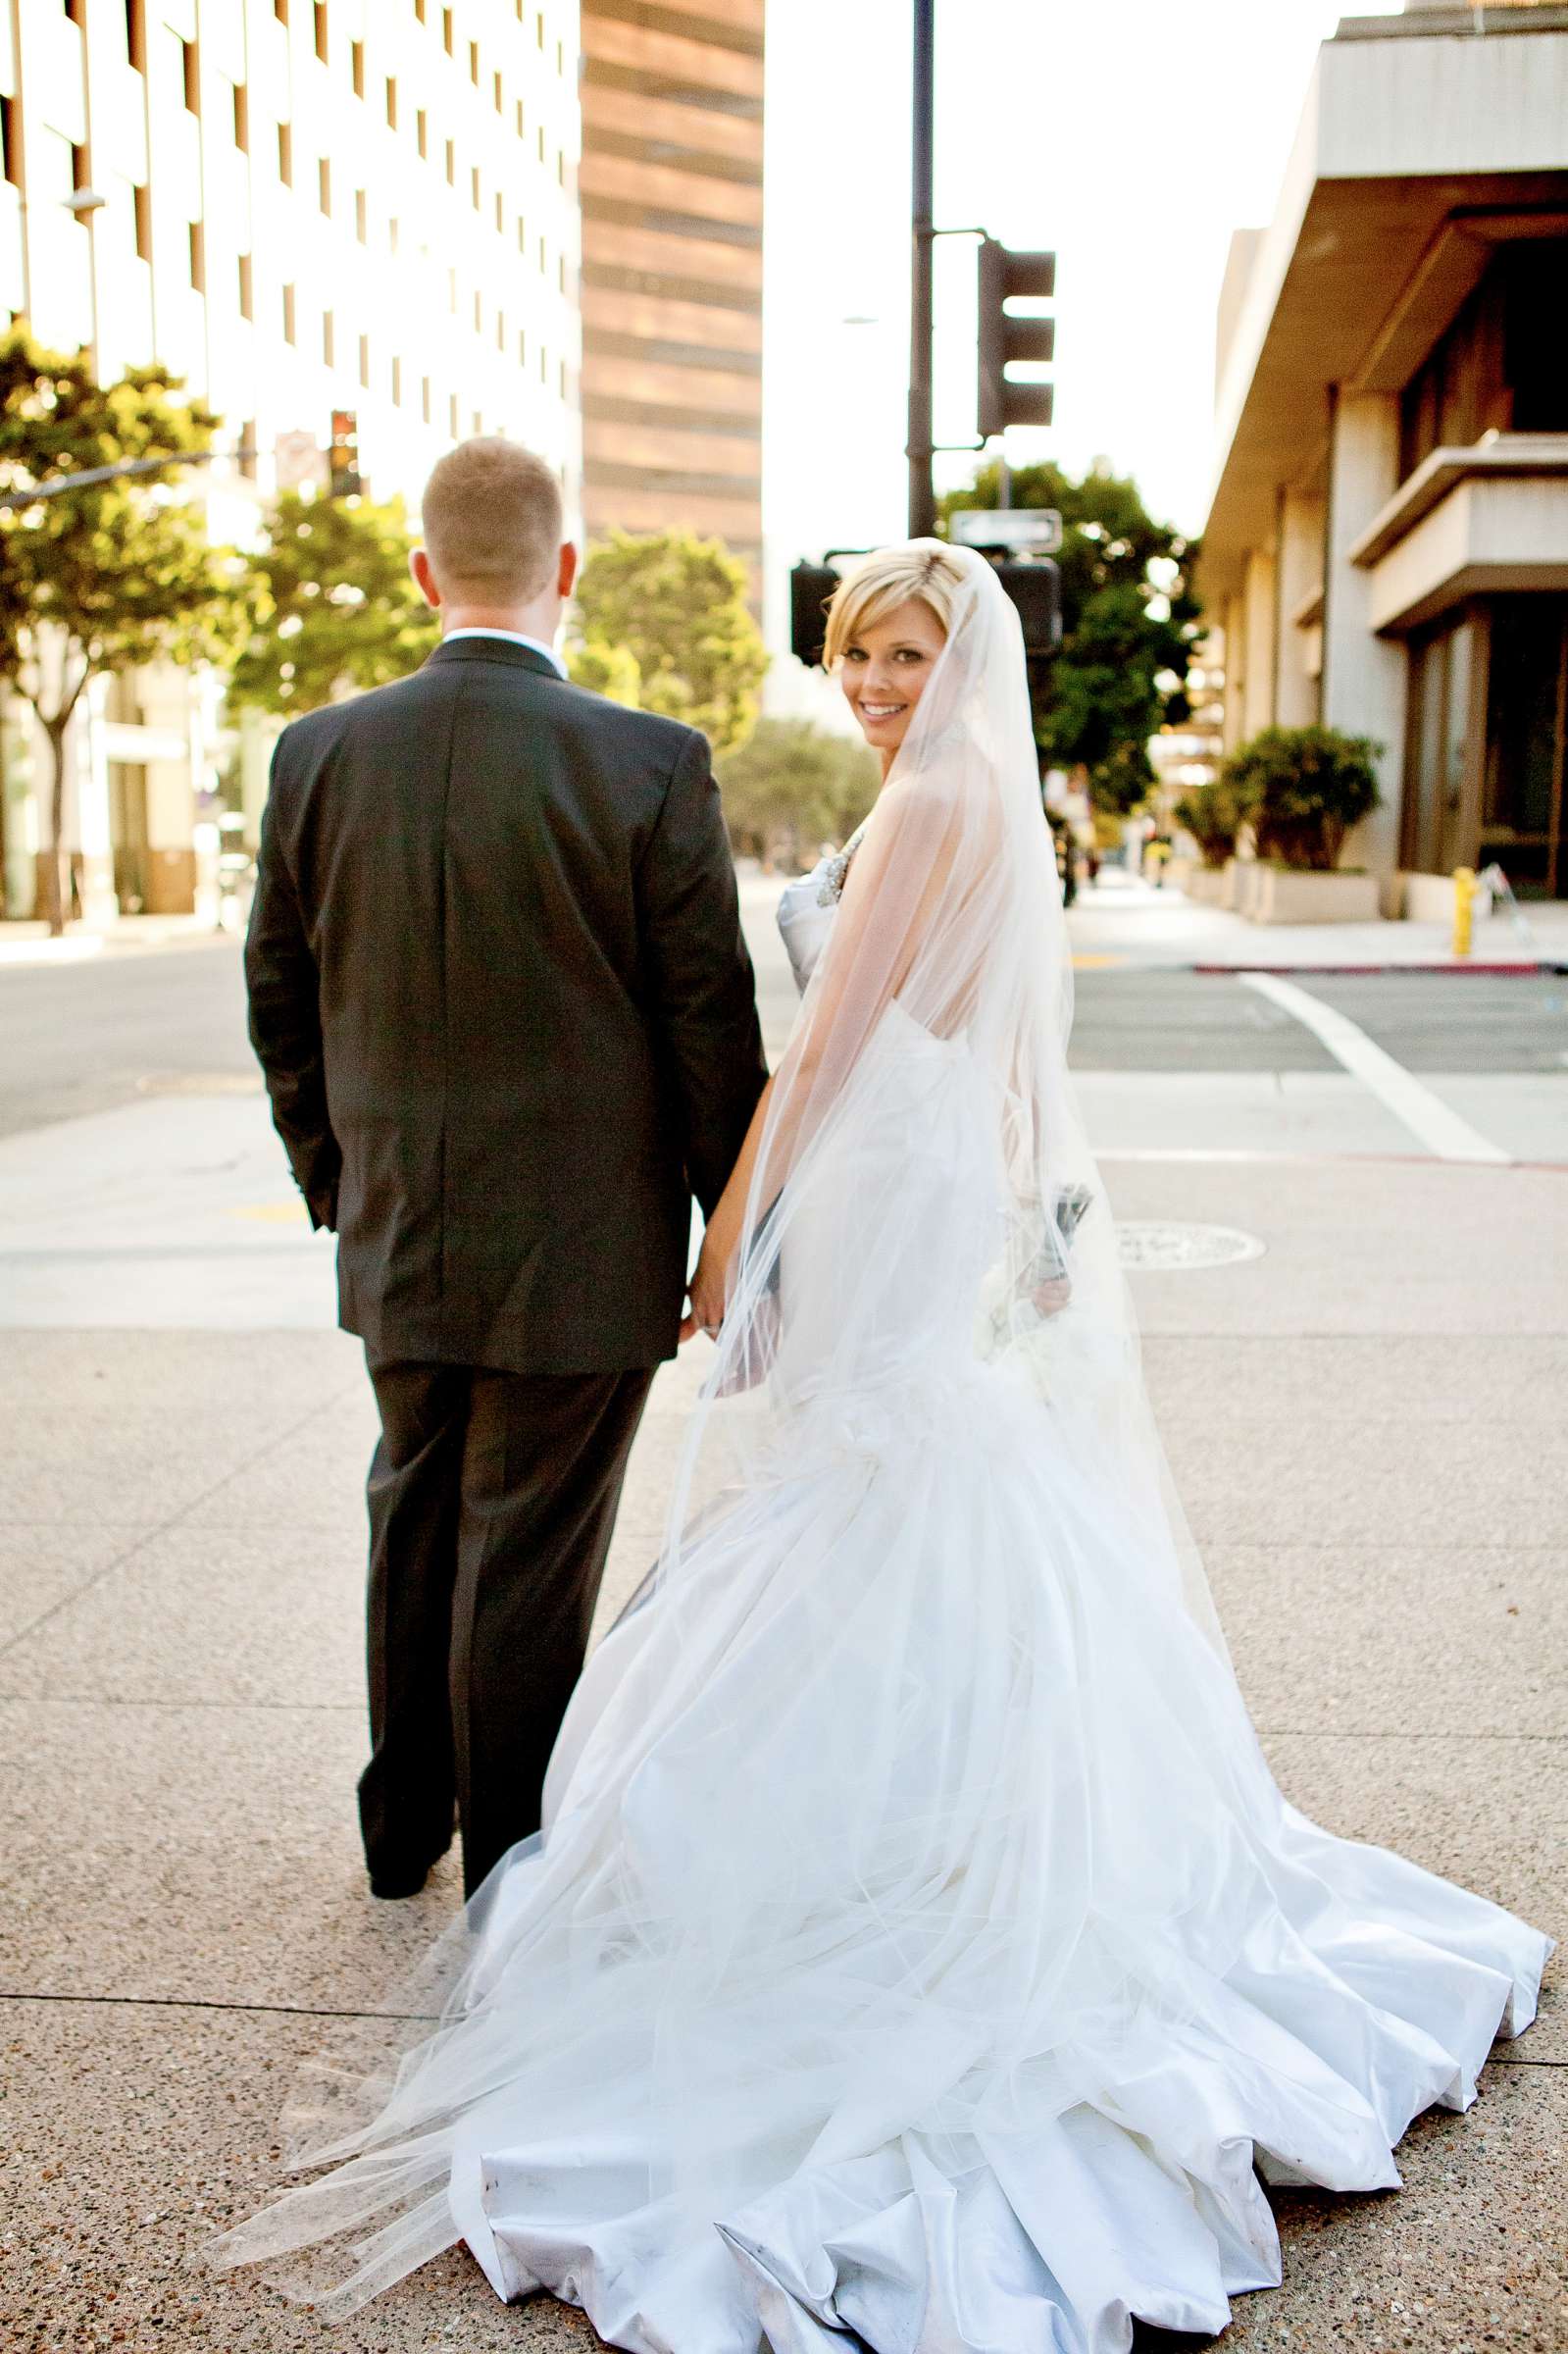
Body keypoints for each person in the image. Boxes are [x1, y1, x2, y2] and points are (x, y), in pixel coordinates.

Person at [216, 542, 1549, 2347]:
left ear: (965, 651)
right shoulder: (983, 794)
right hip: (923, 1183)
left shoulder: (936, 800)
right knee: (911, 1486)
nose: (874, 683)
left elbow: (821, 1052)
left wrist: (731, 1236)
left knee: (875, 1487)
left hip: (869, 1176)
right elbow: (999, 1055)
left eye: (906, 650)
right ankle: (932, 1818)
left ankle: (894, 1857)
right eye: (855, 653)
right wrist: (1031, 1219)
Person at [243, 437, 766, 1902]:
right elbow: (708, 1025)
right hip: (585, 1249)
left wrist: (336, 1180)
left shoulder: (317, 753)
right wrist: (739, 1222)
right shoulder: (651, 762)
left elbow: (277, 995)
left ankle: (402, 1825)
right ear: (569, 572)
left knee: (413, 1507)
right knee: (526, 1553)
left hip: (396, 1229)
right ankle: (510, 1868)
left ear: (424, 574)